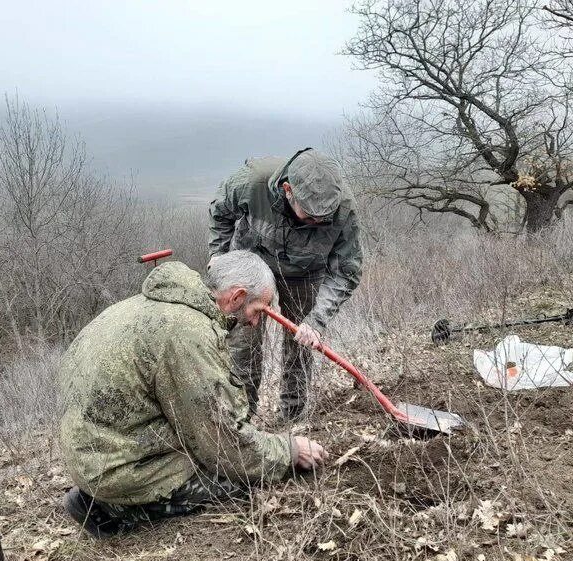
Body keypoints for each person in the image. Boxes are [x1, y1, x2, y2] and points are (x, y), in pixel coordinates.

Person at [59, 251, 328, 537]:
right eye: (258, 311)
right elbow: (222, 444)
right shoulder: (187, 333)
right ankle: (112, 509)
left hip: (93, 452)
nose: (255, 323)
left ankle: (107, 493)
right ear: (236, 297)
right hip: (117, 468)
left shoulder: (145, 306)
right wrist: (289, 450)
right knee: (239, 481)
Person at [208, 148, 363, 420]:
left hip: (305, 271)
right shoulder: (252, 183)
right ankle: (242, 419)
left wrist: (317, 320)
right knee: (244, 344)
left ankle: (292, 418)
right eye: (312, 215)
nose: (320, 221)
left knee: (301, 342)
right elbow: (220, 212)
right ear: (288, 190)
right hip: (251, 267)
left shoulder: (343, 208)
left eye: (325, 216)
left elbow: (346, 271)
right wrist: (219, 258)